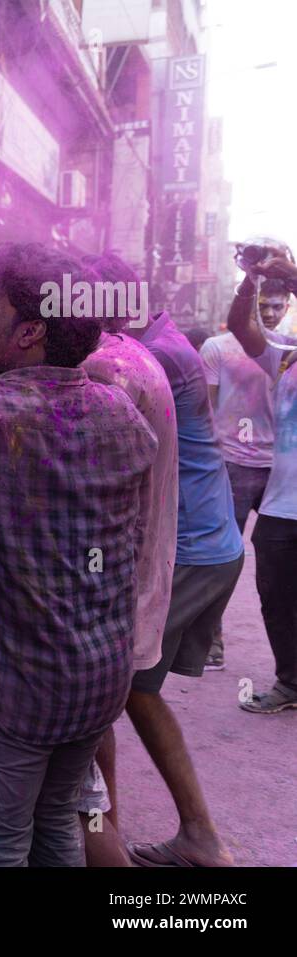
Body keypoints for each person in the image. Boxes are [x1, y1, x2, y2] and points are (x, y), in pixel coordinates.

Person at [0, 244, 157, 868]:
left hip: (12, 689)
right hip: (99, 678)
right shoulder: (119, 411)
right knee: (59, 827)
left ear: (30, 332)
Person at [121, 273, 245, 868]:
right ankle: (189, 835)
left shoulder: (149, 356)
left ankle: (108, 838)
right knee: (131, 688)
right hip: (208, 539)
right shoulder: (166, 340)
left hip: (191, 547)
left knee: (117, 685)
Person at [76, 252, 180, 867]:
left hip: (104, 599)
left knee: (81, 772)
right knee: (92, 750)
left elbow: (84, 495)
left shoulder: (102, 368)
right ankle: (105, 826)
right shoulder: (137, 357)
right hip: (131, 589)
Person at [200, 277, 296, 670]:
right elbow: (205, 412)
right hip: (233, 464)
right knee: (223, 557)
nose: (271, 314)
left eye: (278, 306)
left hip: (279, 474)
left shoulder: (287, 351)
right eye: (264, 306)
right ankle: (211, 640)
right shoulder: (219, 348)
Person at [226, 249, 297, 715]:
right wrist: (251, 279)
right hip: (279, 508)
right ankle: (289, 682)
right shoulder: (286, 362)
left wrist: (289, 273)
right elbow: (239, 326)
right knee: (275, 598)